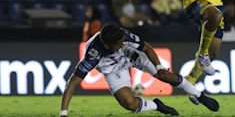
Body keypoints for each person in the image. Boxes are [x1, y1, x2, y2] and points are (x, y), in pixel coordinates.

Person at [60, 24, 219, 117]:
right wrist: (63, 114)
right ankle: (157, 105)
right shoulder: (93, 54)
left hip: (132, 56)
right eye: (119, 44)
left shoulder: (123, 36)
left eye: (123, 40)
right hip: (113, 68)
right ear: (108, 46)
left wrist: (159, 67)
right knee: (129, 104)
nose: (123, 43)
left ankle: (199, 95)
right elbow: (72, 83)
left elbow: (147, 48)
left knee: (166, 76)